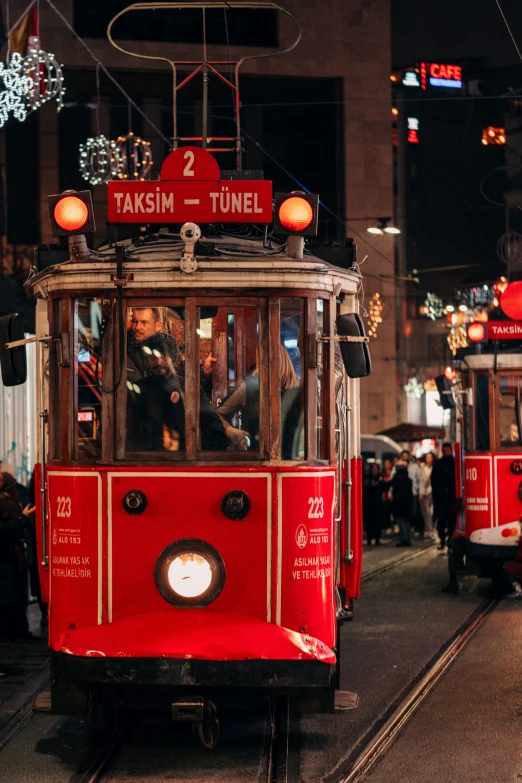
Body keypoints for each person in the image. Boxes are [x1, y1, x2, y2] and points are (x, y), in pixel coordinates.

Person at [127, 333, 228, 452]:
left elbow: (214, 427)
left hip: (183, 461)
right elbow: (127, 430)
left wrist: (205, 458)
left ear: (173, 358)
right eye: (153, 356)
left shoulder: (189, 388)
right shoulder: (139, 389)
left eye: (164, 356)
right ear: (147, 359)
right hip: (146, 462)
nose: (158, 362)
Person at [217, 343, 301, 457]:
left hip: (277, 463)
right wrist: (231, 431)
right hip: (265, 462)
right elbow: (217, 415)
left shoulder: (299, 392)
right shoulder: (250, 388)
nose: (259, 367)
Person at [0, 473, 37, 645]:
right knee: (12, 594)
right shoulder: (8, 502)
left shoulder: (12, 499)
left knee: (17, 592)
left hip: (14, 553)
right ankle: (15, 630)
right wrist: (22, 519)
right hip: (8, 553)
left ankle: (17, 630)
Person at [431, 443, 456, 550]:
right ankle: (442, 539)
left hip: (451, 496)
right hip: (441, 497)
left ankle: (450, 539)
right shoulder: (438, 464)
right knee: (441, 519)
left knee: (451, 519)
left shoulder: (454, 463)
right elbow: (434, 480)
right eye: (445, 450)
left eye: (448, 450)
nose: (446, 452)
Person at [441, 505, 466, 594]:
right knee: (453, 554)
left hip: (462, 537)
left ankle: (454, 582)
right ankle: (453, 581)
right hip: (462, 537)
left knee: (453, 554)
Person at [390, 460, 413, 546]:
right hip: (407, 503)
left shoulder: (397, 478)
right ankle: (408, 537)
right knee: (406, 520)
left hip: (399, 503)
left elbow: (390, 485)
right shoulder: (408, 478)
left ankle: (404, 539)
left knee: (401, 520)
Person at [363, 463, 385, 545]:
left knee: (378, 522)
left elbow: (384, 487)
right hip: (369, 504)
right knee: (369, 522)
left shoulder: (380, 477)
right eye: (373, 468)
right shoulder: (367, 478)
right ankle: (369, 539)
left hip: (378, 504)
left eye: (376, 468)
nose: (375, 470)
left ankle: (377, 538)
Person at [420, 452, 436, 539]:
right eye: (427, 457)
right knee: (426, 513)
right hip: (425, 492)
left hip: (432, 491)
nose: (429, 459)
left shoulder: (435, 467)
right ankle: (428, 530)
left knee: (433, 512)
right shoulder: (422, 467)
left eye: (430, 457)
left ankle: (433, 529)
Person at [382, 459, 394, 534]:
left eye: (388, 464)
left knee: (392, 511)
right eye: (385, 464)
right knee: (386, 512)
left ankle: (394, 525)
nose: (387, 465)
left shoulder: (393, 472)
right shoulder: (382, 474)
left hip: (392, 495)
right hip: (385, 495)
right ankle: (387, 526)